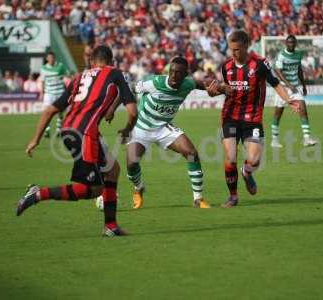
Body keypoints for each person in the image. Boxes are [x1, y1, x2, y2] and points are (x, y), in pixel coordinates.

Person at [16, 45, 137, 237]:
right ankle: (38, 193)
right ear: (111, 61)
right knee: (94, 189)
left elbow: (50, 110)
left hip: (69, 129)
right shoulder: (115, 73)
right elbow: (132, 111)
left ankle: (111, 226)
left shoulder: (79, 77)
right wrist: (127, 130)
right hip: (84, 134)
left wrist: (35, 139)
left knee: (112, 170)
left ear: (92, 61)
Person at [207, 30, 301, 208]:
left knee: (254, 160)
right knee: (230, 158)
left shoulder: (260, 64)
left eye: (237, 49)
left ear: (246, 46)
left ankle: (247, 171)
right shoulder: (226, 66)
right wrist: (215, 91)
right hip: (230, 116)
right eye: (231, 49)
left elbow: (275, 83)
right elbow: (226, 89)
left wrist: (289, 100)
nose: (234, 53)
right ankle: (233, 196)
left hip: (252, 118)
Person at [106, 57, 212, 209]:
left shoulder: (188, 83)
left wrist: (219, 89)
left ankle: (198, 198)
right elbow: (127, 90)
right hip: (141, 127)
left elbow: (201, 84)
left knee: (191, 153)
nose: (174, 76)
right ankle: (139, 187)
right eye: (172, 71)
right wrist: (112, 109)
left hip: (163, 128)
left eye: (179, 73)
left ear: (185, 74)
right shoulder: (155, 82)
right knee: (131, 163)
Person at [271, 35, 318, 148]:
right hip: (282, 88)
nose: (291, 44)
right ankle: (274, 140)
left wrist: (303, 85)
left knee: (302, 109)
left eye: (293, 42)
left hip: (294, 87)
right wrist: (288, 84)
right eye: (289, 42)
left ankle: (307, 138)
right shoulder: (281, 55)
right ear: (286, 44)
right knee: (278, 114)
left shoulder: (298, 54)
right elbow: (277, 71)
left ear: (295, 43)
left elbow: (299, 70)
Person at [40, 51, 68, 138]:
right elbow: (42, 81)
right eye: (49, 58)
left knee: (60, 112)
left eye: (52, 58)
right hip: (49, 93)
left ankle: (59, 129)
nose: (51, 59)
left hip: (59, 92)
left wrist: (64, 78)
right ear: (47, 59)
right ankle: (47, 130)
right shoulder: (43, 68)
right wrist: (42, 92)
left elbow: (67, 75)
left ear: (54, 58)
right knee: (47, 111)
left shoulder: (60, 66)